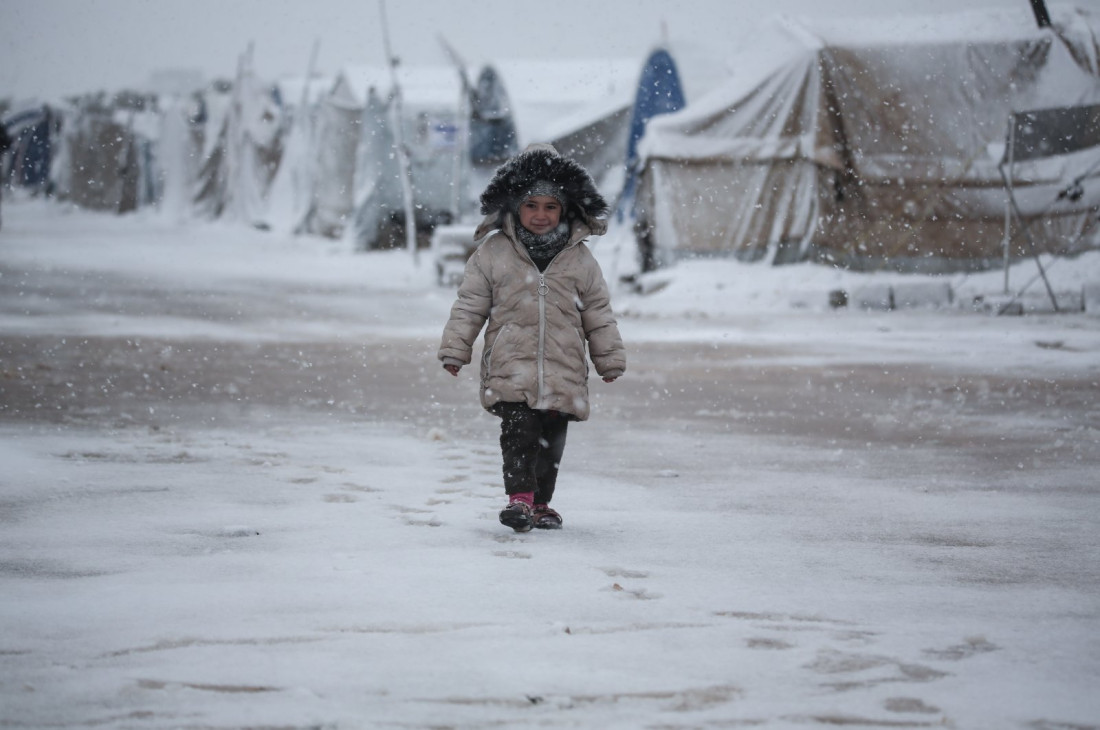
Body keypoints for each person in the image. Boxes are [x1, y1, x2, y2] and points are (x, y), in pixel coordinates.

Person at [438, 143, 626, 532]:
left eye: (550, 207)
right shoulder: (493, 253)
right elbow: (470, 304)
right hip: (512, 363)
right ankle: (519, 500)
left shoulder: (580, 259)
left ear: (565, 210)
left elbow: (598, 313)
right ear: (514, 208)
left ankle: (540, 503)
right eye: (531, 206)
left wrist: (608, 359)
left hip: (563, 367)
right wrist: (456, 348)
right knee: (519, 432)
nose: (540, 215)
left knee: (552, 442)